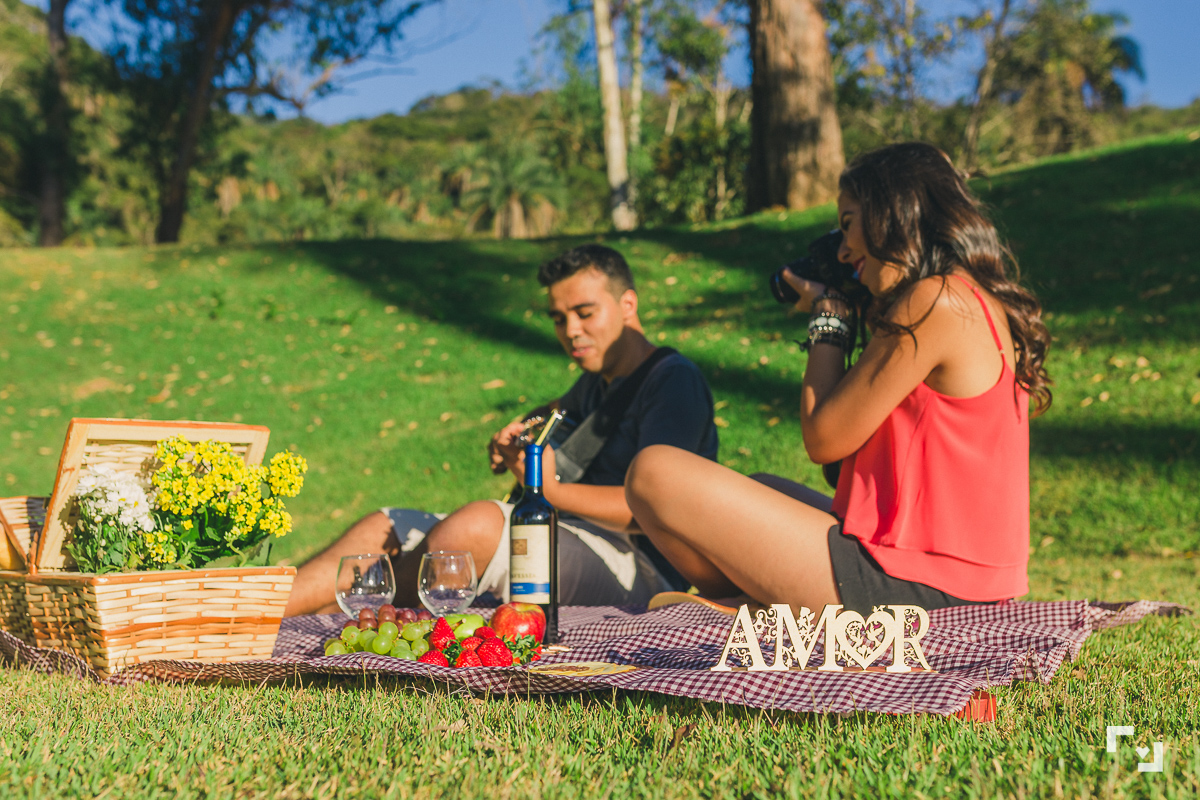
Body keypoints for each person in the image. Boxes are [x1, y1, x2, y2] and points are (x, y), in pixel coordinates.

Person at [625, 142, 1052, 615]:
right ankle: (755, 604)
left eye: (849, 224)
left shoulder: (936, 300)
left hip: (923, 587)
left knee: (653, 473)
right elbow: (844, 459)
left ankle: (763, 611)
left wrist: (830, 315)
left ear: (893, 212)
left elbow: (823, 437)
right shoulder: (969, 298)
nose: (845, 247)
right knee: (763, 484)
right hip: (950, 577)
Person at [285, 244, 719, 616]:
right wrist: (514, 444)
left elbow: (665, 510)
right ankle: (259, 610)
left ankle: (337, 613)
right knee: (383, 526)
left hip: (644, 569)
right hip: (571, 533)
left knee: (473, 527)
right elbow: (546, 417)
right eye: (558, 318)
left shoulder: (672, 382)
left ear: (628, 305)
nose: (571, 332)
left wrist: (549, 490)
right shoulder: (597, 379)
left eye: (585, 313)